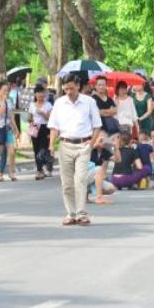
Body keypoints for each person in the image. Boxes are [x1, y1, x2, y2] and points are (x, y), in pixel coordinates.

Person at [47, 73, 102, 226]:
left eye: (71, 88)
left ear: (78, 86)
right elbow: (54, 126)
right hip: (65, 145)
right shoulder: (59, 103)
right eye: (66, 89)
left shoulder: (89, 102)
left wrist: (91, 144)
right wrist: (52, 145)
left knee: (81, 179)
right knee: (67, 183)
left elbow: (97, 125)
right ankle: (70, 213)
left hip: (83, 145)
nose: (69, 92)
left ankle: (81, 213)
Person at [0, 81, 19, 182]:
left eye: (7, 90)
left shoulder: (9, 102)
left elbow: (11, 116)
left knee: (12, 151)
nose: (6, 92)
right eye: (4, 90)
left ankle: (11, 172)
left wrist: (16, 129)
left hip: (7, 129)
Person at [28, 85, 53, 180]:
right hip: (35, 128)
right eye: (38, 93)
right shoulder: (32, 105)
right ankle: (40, 170)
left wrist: (42, 113)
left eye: (42, 93)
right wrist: (30, 119)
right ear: (35, 94)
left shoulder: (48, 105)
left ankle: (42, 168)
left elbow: (51, 118)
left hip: (45, 128)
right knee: (36, 149)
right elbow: (29, 118)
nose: (40, 95)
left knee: (43, 149)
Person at [89, 136, 117, 203]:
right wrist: (96, 143)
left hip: (94, 177)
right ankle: (99, 197)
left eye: (104, 140)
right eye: (101, 140)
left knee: (111, 188)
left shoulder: (104, 151)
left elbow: (117, 160)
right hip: (83, 176)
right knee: (99, 168)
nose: (103, 141)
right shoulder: (89, 146)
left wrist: (116, 147)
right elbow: (84, 151)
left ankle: (86, 195)